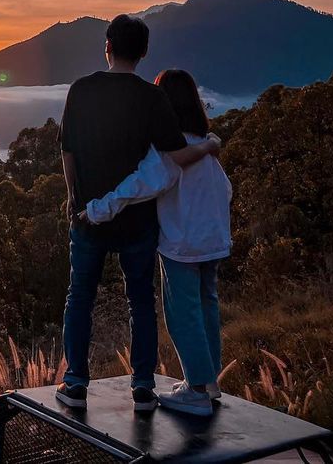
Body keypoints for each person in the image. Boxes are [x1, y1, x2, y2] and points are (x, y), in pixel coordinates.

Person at [56, 15, 220, 411]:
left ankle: (76, 382)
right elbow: (177, 155)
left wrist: (73, 198)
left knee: (80, 297)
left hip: (88, 218)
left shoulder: (81, 89)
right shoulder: (152, 97)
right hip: (138, 221)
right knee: (141, 300)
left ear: (107, 45)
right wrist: (211, 143)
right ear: (144, 52)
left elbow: (68, 151)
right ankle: (143, 387)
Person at [82, 68, 232, 417]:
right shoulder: (204, 145)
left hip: (183, 243)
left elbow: (139, 186)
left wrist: (95, 210)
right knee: (207, 307)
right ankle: (209, 384)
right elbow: (226, 191)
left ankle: (195, 390)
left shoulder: (171, 149)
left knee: (183, 315)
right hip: (214, 241)